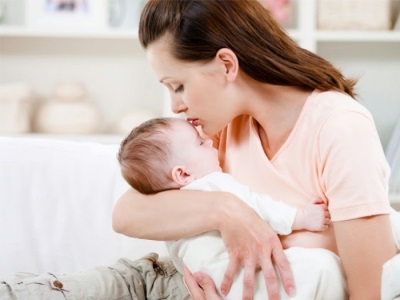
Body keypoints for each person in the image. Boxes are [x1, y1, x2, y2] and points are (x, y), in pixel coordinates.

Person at [112, 0, 399, 299]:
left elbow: (370, 292)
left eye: (178, 85)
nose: (175, 106)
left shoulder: (340, 129)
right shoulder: (220, 128)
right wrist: (228, 211)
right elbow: (126, 213)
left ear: (226, 65)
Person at [117, 116, 333, 298]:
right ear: (182, 174)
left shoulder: (171, 211)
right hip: (244, 279)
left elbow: (181, 260)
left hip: (214, 287)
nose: (210, 143)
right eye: (201, 143)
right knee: (323, 266)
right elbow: (259, 209)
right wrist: (302, 217)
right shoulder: (214, 183)